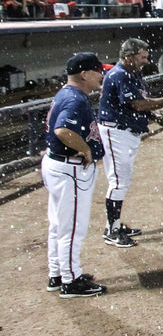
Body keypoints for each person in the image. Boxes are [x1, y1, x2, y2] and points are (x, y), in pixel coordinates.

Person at [97, 38, 163, 248]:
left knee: (122, 180)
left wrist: (155, 116)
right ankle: (112, 230)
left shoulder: (132, 73)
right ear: (129, 56)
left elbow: (137, 103)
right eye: (142, 57)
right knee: (118, 181)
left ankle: (114, 224)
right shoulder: (119, 74)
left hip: (125, 132)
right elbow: (137, 104)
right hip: (115, 132)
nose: (145, 61)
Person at [42, 53, 107, 297]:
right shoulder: (75, 99)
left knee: (59, 225)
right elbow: (62, 130)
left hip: (57, 164)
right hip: (69, 169)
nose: (101, 75)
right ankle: (71, 281)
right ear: (84, 74)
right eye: (98, 71)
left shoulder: (66, 93)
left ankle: (58, 273)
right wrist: (86, 149)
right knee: (71, 228)